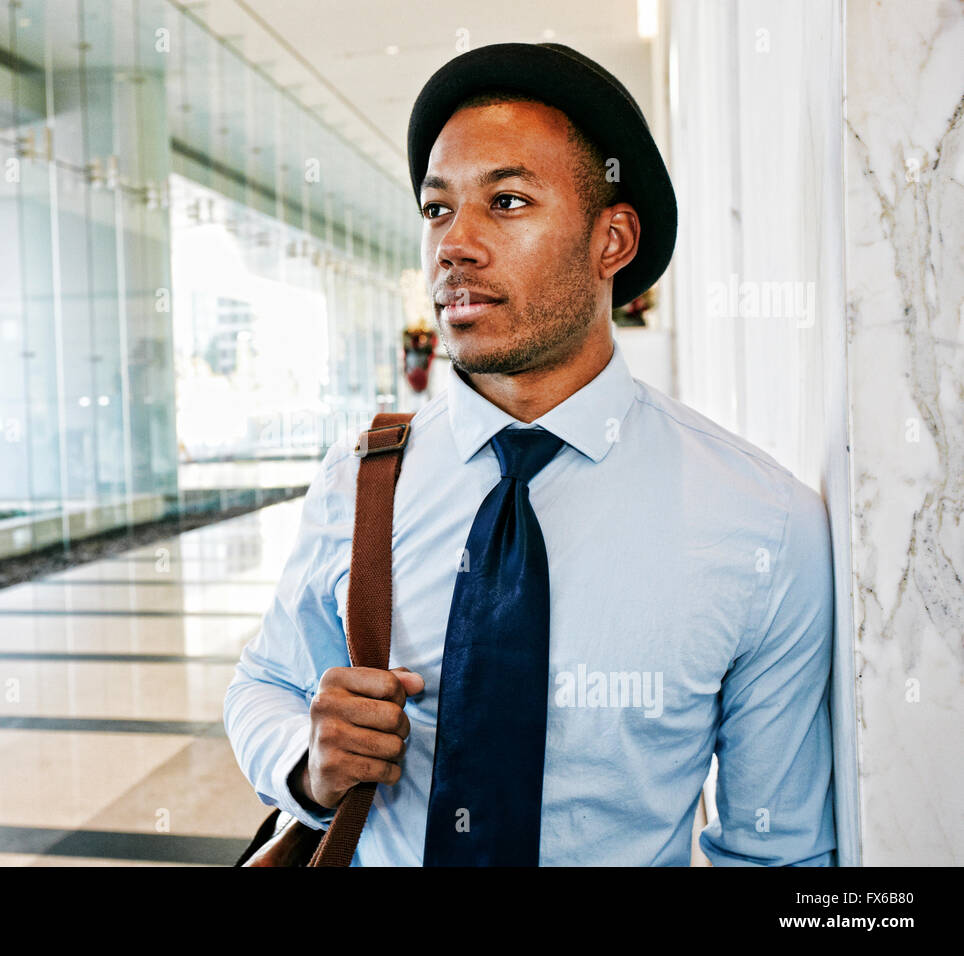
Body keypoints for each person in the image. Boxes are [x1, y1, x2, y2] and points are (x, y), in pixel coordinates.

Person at [223, 42, 836, 866]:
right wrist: (307, 765)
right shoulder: (362, 476)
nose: (454, 245)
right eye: (438, 210)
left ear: (611, 240)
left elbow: (779, 851)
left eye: (507, 202)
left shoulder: (765, 523)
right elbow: (264, 683)